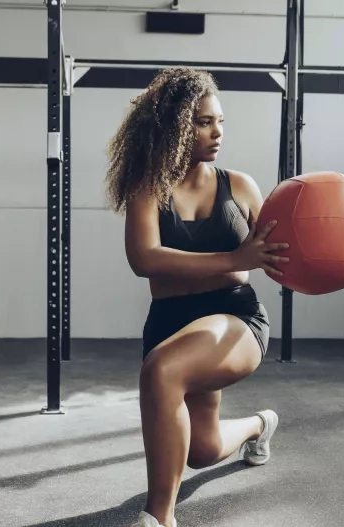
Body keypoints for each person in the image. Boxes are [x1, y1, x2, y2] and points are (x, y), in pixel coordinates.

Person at [104, 68, 289, 527]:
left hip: (234, 316)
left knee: (162, 371)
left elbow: (280, 254)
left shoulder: (240, 186)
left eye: (220, 121)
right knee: (203, 451)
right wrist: (235, 254)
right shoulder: (148, 188)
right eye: (204, 121)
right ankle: (260, 425)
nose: (217, 132)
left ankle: (158, 519)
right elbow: (145, 258)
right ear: (174, 126)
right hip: (171, 321)